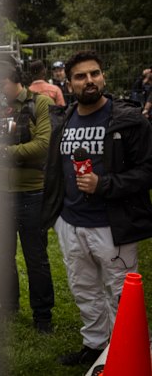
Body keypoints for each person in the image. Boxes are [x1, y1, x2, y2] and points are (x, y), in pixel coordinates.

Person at [42, 50, 152, 366]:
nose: (89, 81)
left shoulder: (128, 120)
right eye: (81, 76)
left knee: (120, 293)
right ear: (69, 82)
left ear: (103, 76)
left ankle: (123, 353)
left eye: (95, 73)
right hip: (70, 223)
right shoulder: (63, 120)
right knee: (84, 289)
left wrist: (103, 184)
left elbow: (148, 170)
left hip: (112, 224)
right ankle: (95, 345)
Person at [0, 60, 55, 334]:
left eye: (0, 84)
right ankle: (8, 305)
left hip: (31, 192)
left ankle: (43, 316)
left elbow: (43, 145)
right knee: (2, 256)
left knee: (35, 256)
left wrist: (3, 152)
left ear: (16, 80)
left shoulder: (40, 104)